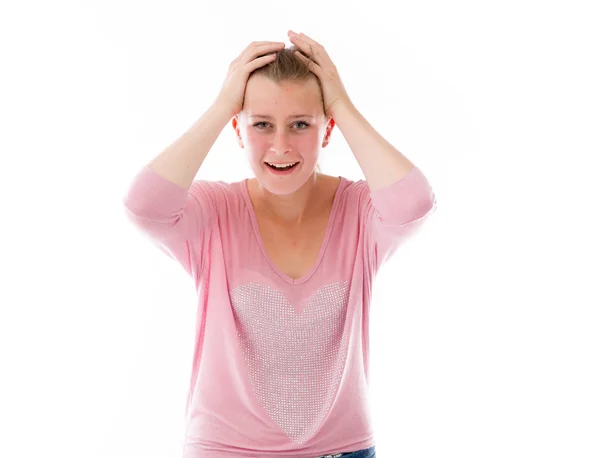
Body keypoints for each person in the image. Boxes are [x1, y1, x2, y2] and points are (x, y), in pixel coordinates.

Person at [123, 30, 436, 458]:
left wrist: (340, 103)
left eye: (301, 124)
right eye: (262, 125)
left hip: (342, 450)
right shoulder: (215, 211)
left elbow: (414, 204)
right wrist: (221, 106)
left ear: (327, 131)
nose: (281, 146)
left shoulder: (359, 210)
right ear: (238, 128)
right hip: (224, 450)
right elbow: (144, 207)